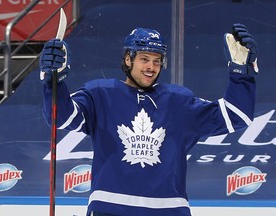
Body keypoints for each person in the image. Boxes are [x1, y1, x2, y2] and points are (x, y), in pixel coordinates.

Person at [39, 24, 258, 216]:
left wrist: (241, 73)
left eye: (156, 61)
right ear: (128, 59)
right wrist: (54, 80)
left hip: (169, 210)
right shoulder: (99, 94)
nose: (151, 67)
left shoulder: (179, 101)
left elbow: (237, 115)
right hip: (110, 209)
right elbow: (60, 117)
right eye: (144, 59)